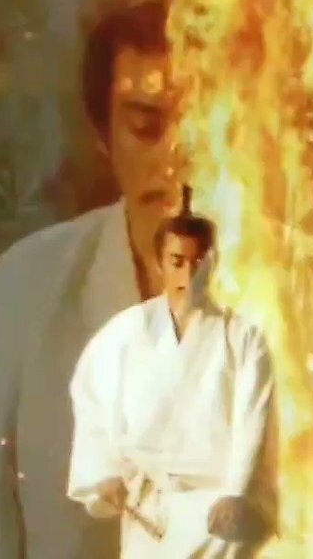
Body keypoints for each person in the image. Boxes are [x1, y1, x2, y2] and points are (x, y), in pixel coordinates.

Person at [0, 0, 313, 559]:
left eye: (204, 127)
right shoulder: (19, 296)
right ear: (104, 135)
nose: (176, 159)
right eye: (146, 127)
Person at [67, 201, 276, 558]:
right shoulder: (125, 332)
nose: (187, 275)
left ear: (212, 264)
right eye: (177, 262)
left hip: (216, 511)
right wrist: (103, 470)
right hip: (149, 506)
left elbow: (253, 419)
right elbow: (91, 400)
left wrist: (236, 493)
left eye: (198, 263)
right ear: (159, 263)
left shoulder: (243, 337)